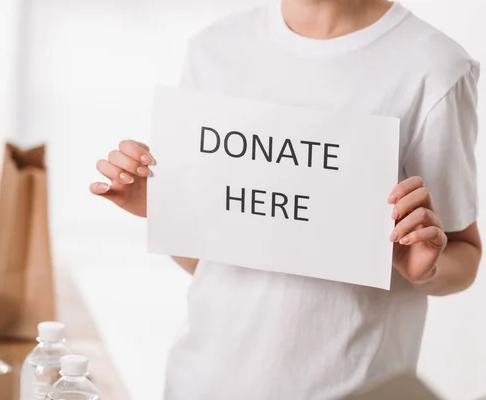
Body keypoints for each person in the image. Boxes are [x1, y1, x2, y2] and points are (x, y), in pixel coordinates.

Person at [90, 0, 482, 398]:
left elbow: (464, 250)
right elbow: (213, 264)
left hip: (353, 389)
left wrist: (425, 269)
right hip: (203, 383)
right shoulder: (213, 50)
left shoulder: (435, 67)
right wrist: (166, 209)